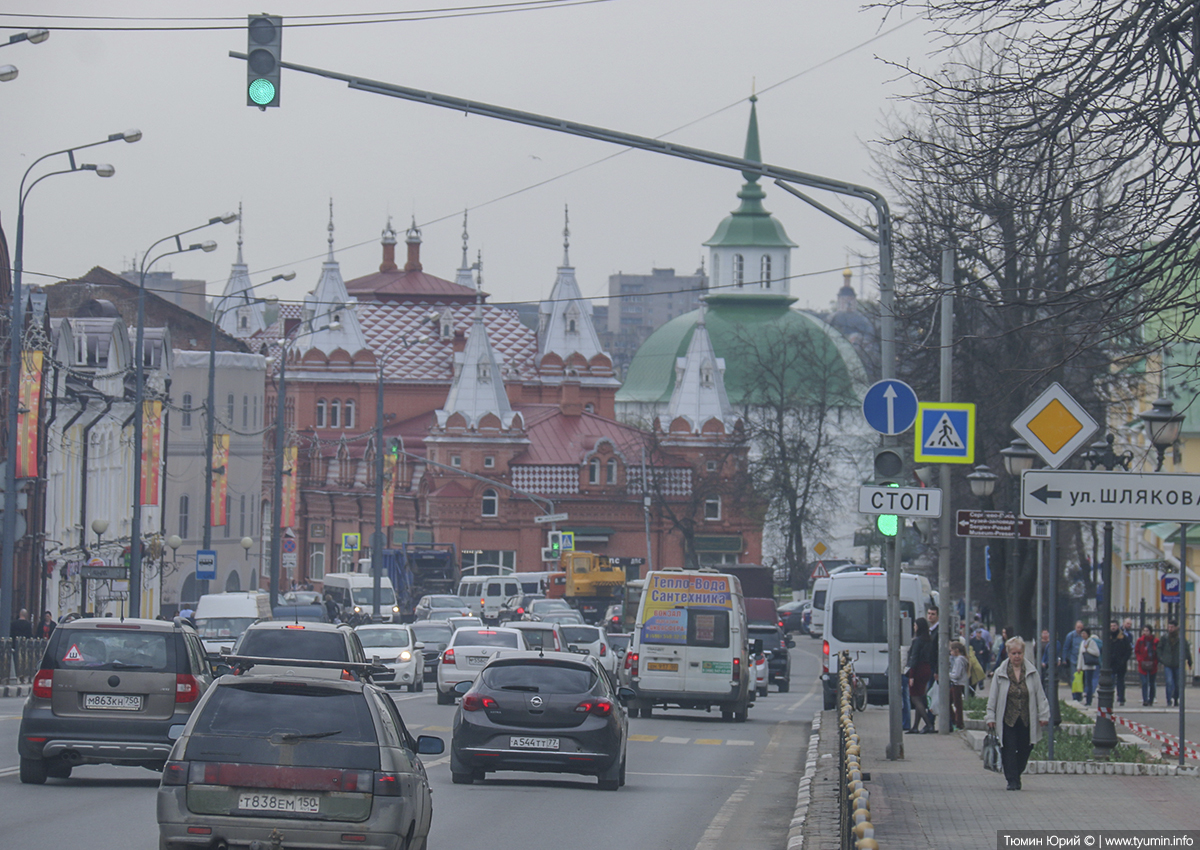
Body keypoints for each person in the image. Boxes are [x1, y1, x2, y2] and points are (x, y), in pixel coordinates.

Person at [986, 636, 1051, 791]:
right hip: (1007, 718)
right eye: (1013, 653)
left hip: (1026, 718)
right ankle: (1012, 780)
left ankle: (1017, 773)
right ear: (1008, 654)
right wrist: (990, 716)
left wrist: (1044, 714)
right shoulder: (1000, 673)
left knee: (1025, 748)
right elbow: (993, 696)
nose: (1017, 656)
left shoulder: (1032, 672)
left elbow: (1039, 695)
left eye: (1019, 653)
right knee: (1008, 748)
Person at [907, 617, 936, 734]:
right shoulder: (929, 640)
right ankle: (915, 726)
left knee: (915, 698)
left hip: (918, 669)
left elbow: (914, 658)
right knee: (919, 695)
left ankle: (929, 724)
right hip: (927, 669)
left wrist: (911, 675)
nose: (914, 627)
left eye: (915, 625)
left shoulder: (917, 641)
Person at [1157, 619, 1193, 708]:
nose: (1170, 629)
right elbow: (1159, 649)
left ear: (1176, 628)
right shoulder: (1165, 638)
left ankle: (1176, 699)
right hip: (1168, 663)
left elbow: (1186, 650)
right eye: (1169, 627)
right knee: (1169, 682)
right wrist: (1162, 659)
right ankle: (1169, 700)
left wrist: (1189, 661)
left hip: (1178, 664)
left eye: (1172, 627)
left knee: (1178, 683)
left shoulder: (1181, 639)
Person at [1109, 620, 1133, 706]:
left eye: (1114, 625)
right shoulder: (1108, 637)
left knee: (1120, 682)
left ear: (1118, 626)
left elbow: (1129, 650)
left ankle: (1121, 698)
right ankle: (1110, 698)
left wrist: (1123, 660)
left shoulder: (1123, 637)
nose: (1113, 627)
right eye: (1111, 626)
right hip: (1111, 664)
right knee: (1110, 681)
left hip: (1121, 663)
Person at [1135, 625, 1159, 706]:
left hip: (1153, 664)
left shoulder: (1155, 641)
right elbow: (1137, 651)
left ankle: (1151, 699)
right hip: (1142, 664)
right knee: (1144, 682)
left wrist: (1156, 661)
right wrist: (1139, 660)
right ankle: (1145, 699)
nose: (1145, 632)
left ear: (1150, 632)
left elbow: (1157, 652)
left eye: (1147, 631)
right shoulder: (1140, 641)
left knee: (1152, 683)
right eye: (1144, 631)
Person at [1077, 627, 1101, 705]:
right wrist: (1079, 666)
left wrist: (1088, 649)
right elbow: (1081, 655)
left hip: (1089, 666)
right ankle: (1083, 696)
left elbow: (1096, 653)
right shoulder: (1082, 642)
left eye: (1084, 633)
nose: (1083, 635)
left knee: (1089, 682)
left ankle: (1089, 700)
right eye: (1082, 633)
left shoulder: (1091, 642)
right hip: (1083, 666)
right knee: (1084, 682)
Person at [949, 640, 969, 731]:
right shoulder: (963, 659)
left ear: (956, 650)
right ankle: (956, 721)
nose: (950, 652)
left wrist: (948, 675)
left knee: (956, 703)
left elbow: (957, 674)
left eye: (951, 650)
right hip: (959, 683)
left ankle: (957, 722)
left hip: (957, 683)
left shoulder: (959, 660)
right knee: (955, 703)